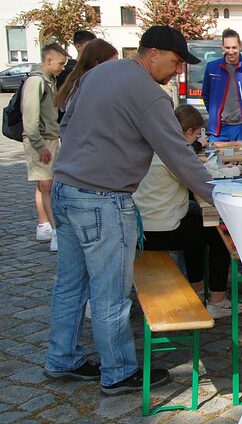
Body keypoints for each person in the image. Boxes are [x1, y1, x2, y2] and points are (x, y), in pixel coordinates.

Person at [44, 25, 214, 396]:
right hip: (102, 200)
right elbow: (178, 154)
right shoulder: (148, 94)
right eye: (175, 61)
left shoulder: (98, 73)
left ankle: (62, 357)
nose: (178, 71)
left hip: (65, 190)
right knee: (109, 293)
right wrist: (220, 197)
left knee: (71, 285)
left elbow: (66, 123)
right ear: (153, 54)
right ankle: (118, 371)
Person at [134, 104, 242, 319]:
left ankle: (197, 287)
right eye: (196, 134)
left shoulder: (152, 145)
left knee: (196, 222)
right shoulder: (174, 151)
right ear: (188, 133)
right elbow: (204, 179)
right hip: (160, 230)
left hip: (142, 227)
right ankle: (218, 301)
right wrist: (237, 169)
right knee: (217, 233)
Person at [22, 43, 68, 252]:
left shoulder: (49, 80)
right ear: (48, 60)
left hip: (49, 138)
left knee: (45, 185)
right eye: (61, 63)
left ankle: (45, 225)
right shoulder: (36, 82)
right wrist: (40, 146)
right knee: (47, 186)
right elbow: (30, 120)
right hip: (41, 141)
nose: (62, 68)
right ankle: (55, 231)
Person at [53, 39, 118, 112]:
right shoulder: (87, 86)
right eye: (112, 64)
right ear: (97, 64)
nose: (116, 68)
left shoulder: (78, 81)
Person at [56, 30, 96, 95]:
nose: (94, 49)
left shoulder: (94, 69)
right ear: (78, 46)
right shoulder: (67, 71)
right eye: (90, 46)